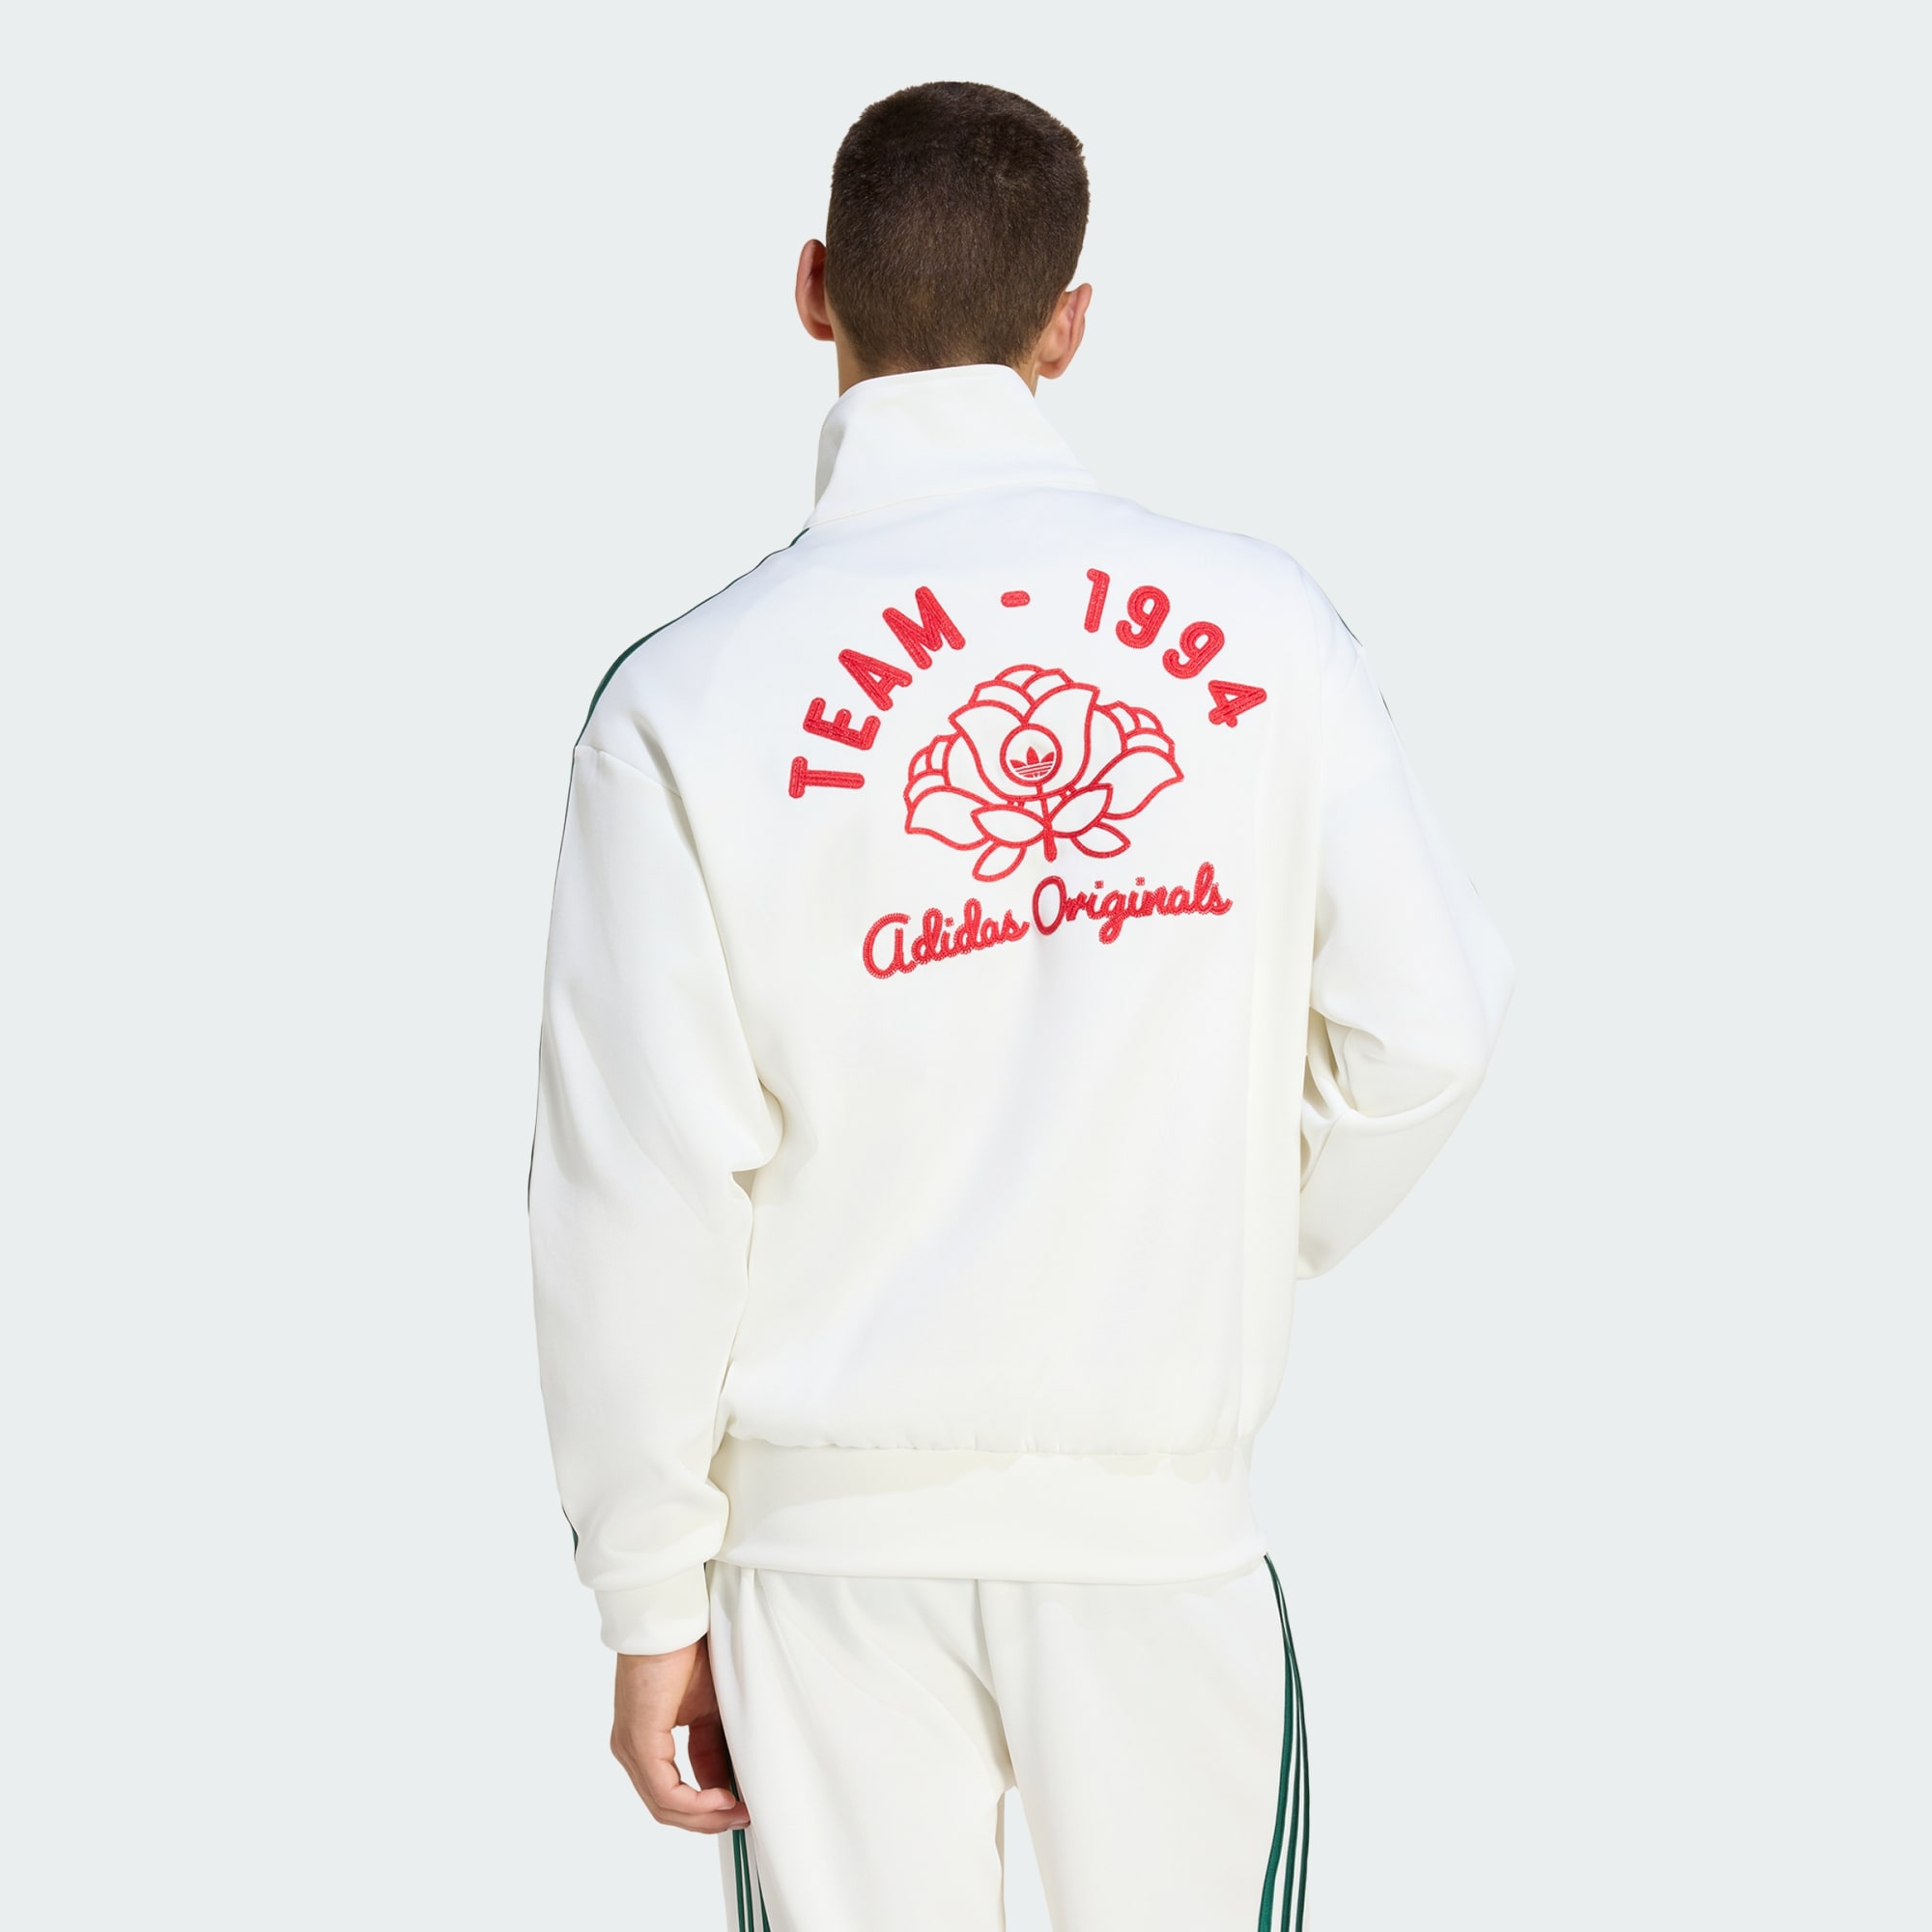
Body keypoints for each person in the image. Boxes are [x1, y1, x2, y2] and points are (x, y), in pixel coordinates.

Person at [528, 79, 1513, 1932]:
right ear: (1070, 324)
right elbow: (1427, 1031)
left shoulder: (682, 697)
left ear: (812, 288)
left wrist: (649, 1598)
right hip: (1154, 1535)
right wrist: (1210, 1230)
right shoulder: (1268, 628)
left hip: (818, 1564)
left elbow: (634, 1188)